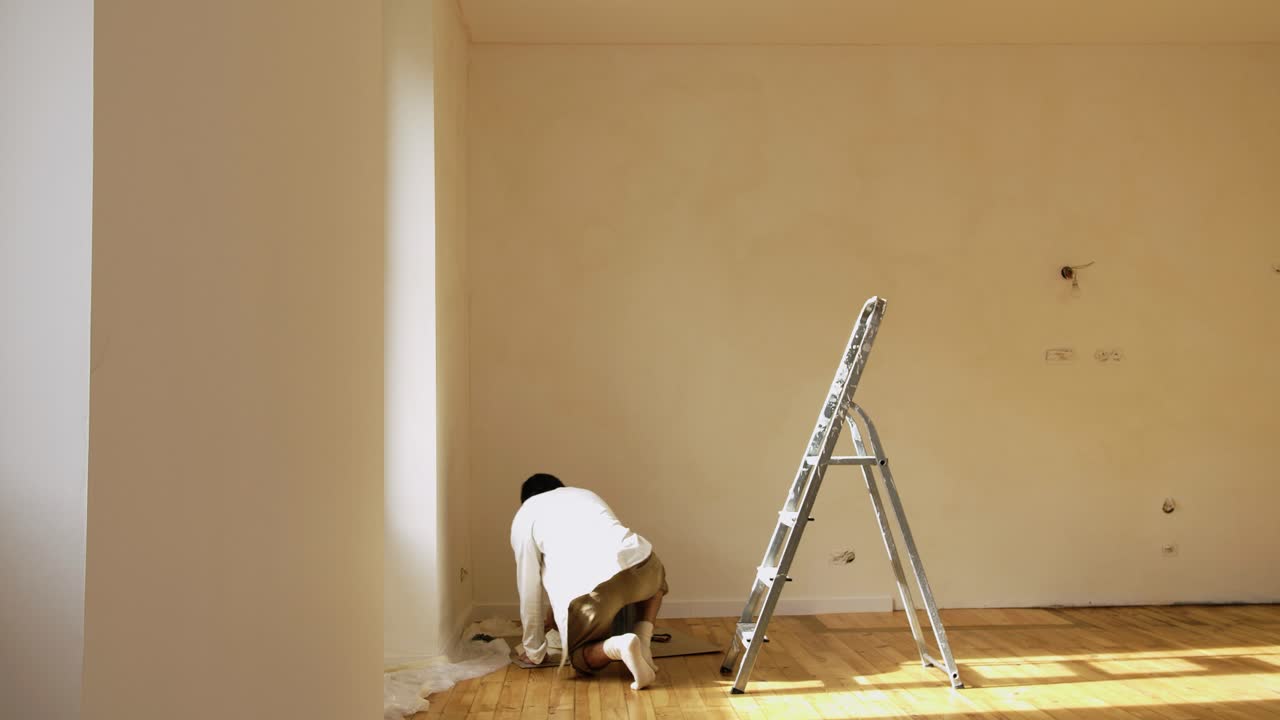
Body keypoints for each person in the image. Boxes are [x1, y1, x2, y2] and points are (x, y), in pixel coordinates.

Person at [510, 473, 668, 690]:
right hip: (644, 566)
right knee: (657, 581)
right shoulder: (584, 494)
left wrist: (534, 651)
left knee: (579, 659)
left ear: (526, 499)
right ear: (559, 487)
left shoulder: (526, 514)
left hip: (596, 594)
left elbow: (529, 589)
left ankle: (619, 647)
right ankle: (643, 638)